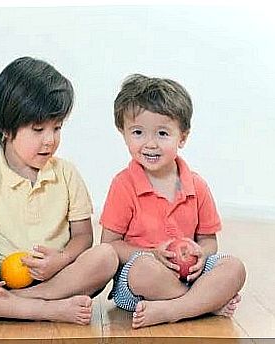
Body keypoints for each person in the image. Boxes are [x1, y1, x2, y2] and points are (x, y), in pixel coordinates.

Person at [0, 56, 118, 325]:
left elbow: (84, 237)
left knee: (106, 257)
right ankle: (45, 310)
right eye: (38, 129)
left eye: (57, 128)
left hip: (57, 277)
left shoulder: (67, 174)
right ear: (6, 127)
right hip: (1, 278)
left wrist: (60, 260)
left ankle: (6, 307)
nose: (49, 140)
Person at [99, 74, 246, 329]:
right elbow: (110, 245)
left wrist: (202, 254)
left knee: (234, 268)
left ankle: (174, 309)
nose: (150, 143)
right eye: (138, 132)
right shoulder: (124, 184)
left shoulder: (197, 185)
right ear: (122, 132)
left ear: (183, 137)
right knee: (144, 270)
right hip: (141, 281)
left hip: (190, 275)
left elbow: (208, 241)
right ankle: (204, 305)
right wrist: (152, 253)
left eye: (163, 133)